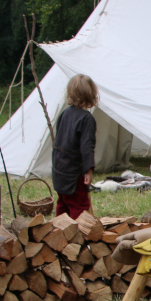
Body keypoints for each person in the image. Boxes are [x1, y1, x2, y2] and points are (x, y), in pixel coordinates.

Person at [52, 74, 98, 218]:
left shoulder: (65, 114)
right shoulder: (86, 119)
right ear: (91, 94)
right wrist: (88, 169)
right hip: (74, 173)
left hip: (59, 169)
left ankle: (60, 232)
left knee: (63, 204)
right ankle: (77, 237)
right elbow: (87, 146)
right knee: (79, 206)